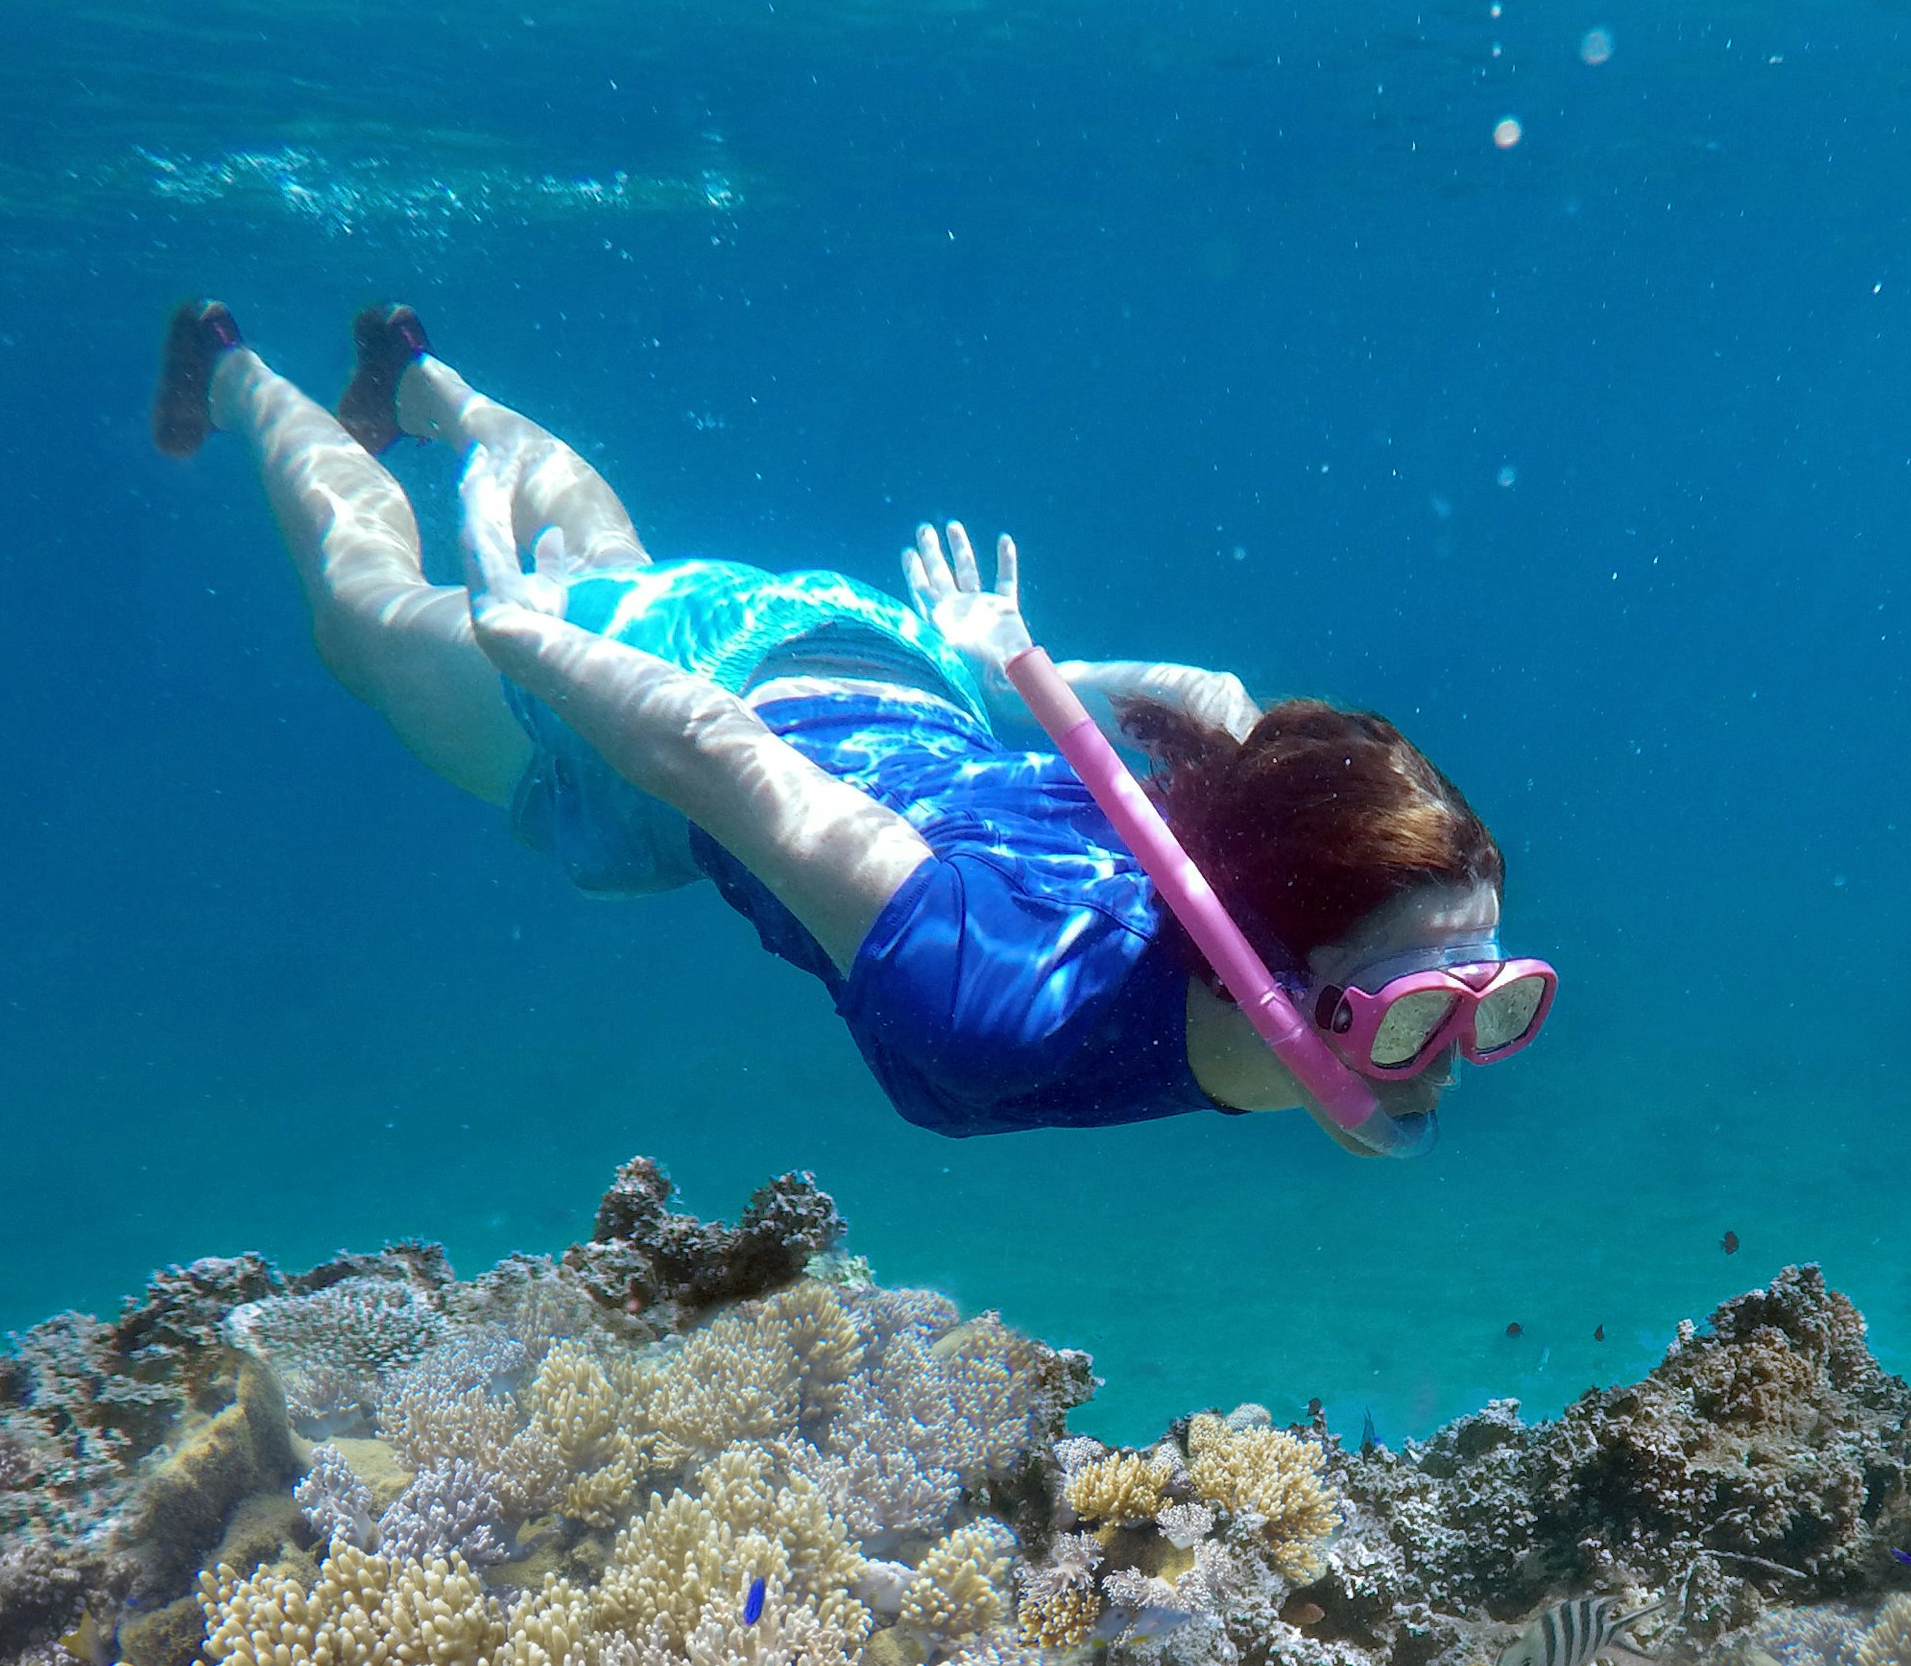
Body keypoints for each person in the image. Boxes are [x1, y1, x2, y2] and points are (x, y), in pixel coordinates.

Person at [150, 300, 1553, 1150]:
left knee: (611, 548)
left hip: (895, 661)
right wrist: (530, 640)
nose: (1449, 1065)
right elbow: (719, 760)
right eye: (1414, 1015)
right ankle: (230, 365)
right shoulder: (996, 996)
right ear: (1255, 963)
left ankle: (425, 383)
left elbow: (1221, 714)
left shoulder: (1237, 855)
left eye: (1493, 1006)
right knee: (364, 606)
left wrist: (1007, 665)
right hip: (665, 715)